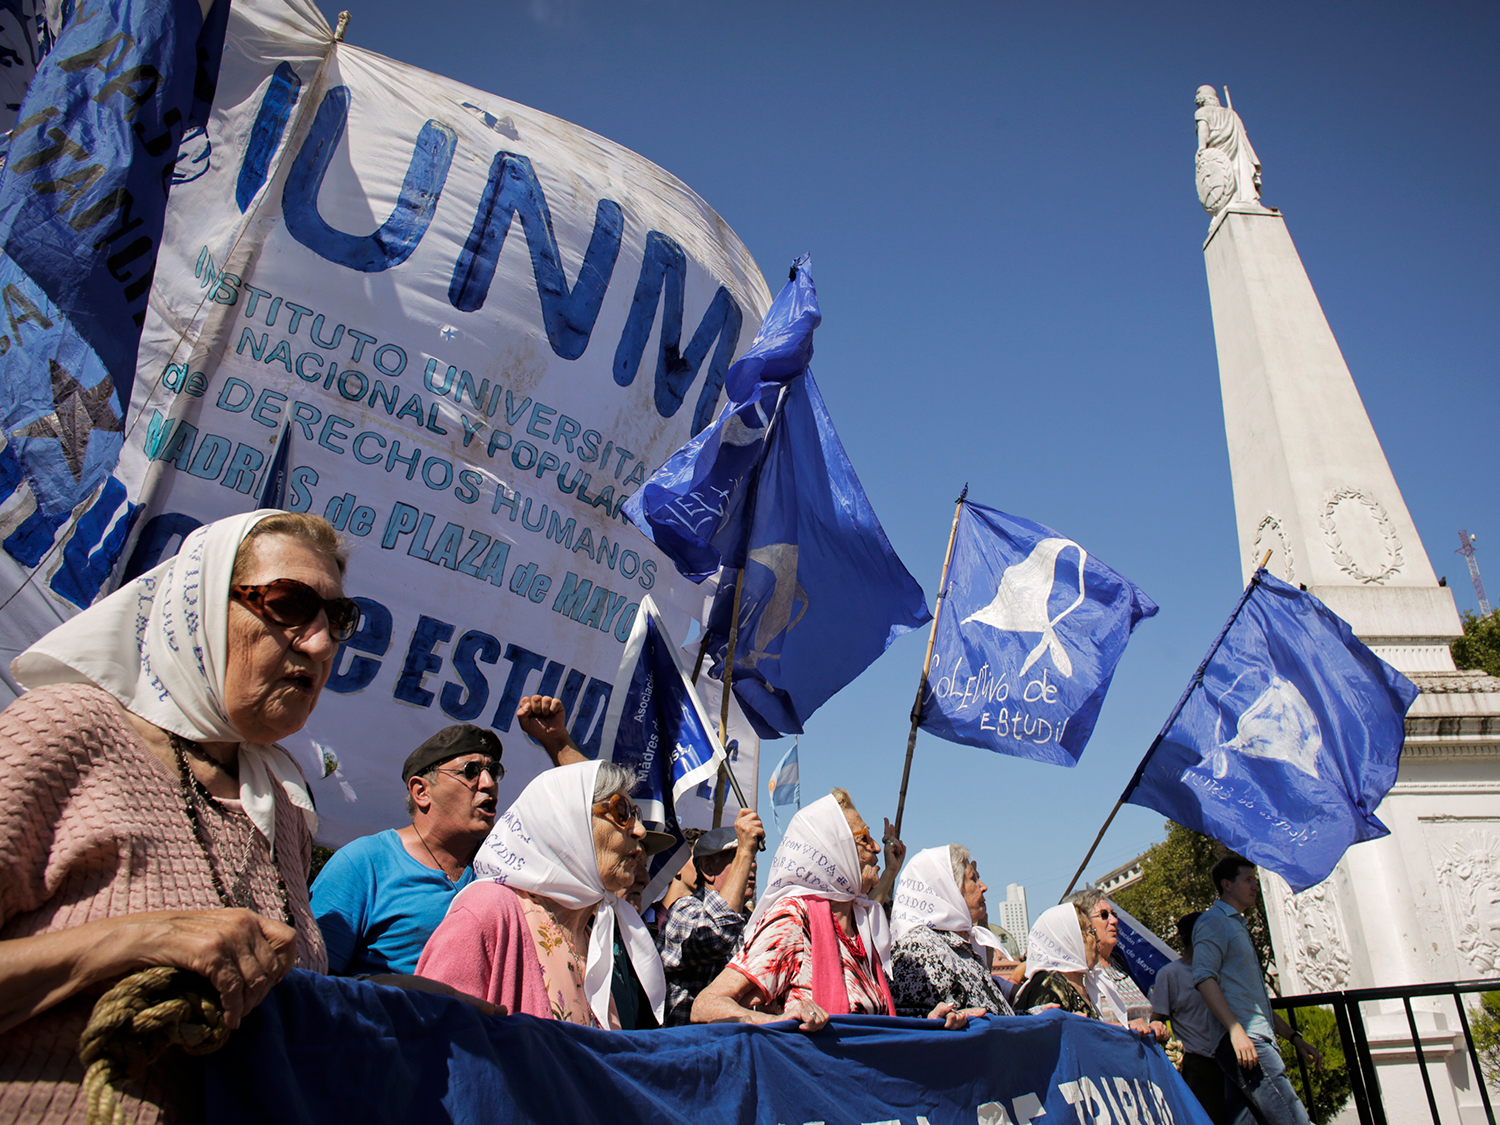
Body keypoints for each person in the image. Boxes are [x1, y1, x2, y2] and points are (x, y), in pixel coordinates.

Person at [0, 510, 348, 1124]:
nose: (320, 643)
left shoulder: (284, 806)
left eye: (337, 619)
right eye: (288, 603)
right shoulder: (69, 732)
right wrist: (136, 941)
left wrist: (407, 1011)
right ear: (204, 609)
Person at [310, 696, 582, 976]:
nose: (489, 784)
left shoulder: (510, 865)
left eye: (494, 771)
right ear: (421, 791)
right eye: (471, 771)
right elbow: (311, 983)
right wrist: (398, 992)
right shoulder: (363, 865)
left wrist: (557, 741)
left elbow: (607, 827)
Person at [692, 789, 967, 1032]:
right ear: (836, 851)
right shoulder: (794, 918)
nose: (875, 848)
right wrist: (779, 1022)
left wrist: (930, 1025)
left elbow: (872, 1026)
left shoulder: (863, 927)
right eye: (864, 839)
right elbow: (705, 1005)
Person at [416, 760, 665, 1028]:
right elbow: (432, 1037)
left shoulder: (593, 933)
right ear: (569, 821)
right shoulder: (488, 909)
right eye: (622, 812)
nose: (639, 831)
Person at [1194, 856, 1322, 1125]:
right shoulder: (1213, 922)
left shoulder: (1235, 924)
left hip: (1249, 1041)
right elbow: (1204, 979)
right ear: (1227, 885)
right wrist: (1236, 1032)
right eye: (1249, 880)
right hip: (1247, 1044)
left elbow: (1253, 1000)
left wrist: (1294, 1037)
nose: (1255, 886)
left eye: (1256, 880)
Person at [658, 810, 765, 1025]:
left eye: (752, 857)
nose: (751, 864)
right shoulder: (685, 910)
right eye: (736, 857)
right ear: (707, 869)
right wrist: (744, 851)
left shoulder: (755, 921)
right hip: (693, 1049)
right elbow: (715, 937)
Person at [1013, 894, 1165, 1040]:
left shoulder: (1077, 981)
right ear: (1071, 938)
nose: (1095, 939)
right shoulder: (1049, 985)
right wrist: (1125, 1029)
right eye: (1090, 932)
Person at [889, 845, 1013, 1019]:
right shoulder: (918, 949)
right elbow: (918, 1023)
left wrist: (1036, 1015)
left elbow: (993, 1014)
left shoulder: (957, 946)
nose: (983, 887)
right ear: (948, 890)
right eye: (973, 879)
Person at [1151, 913, 1230, 1125]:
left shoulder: (1222, 970)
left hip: (1231, 1059)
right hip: (1198, 1065)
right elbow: (1156, 1018)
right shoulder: (1170, 974)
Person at [1194, 85, 1262, 212]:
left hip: (1217, 151)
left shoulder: (1202, 112)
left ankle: (1230, 203)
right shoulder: (1231, 113)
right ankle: (1247, 198)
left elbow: (1204, 128)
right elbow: (1243, 133)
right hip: (1234, 147)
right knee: (1238, 170)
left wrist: (1201, 148)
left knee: (1224, 173)